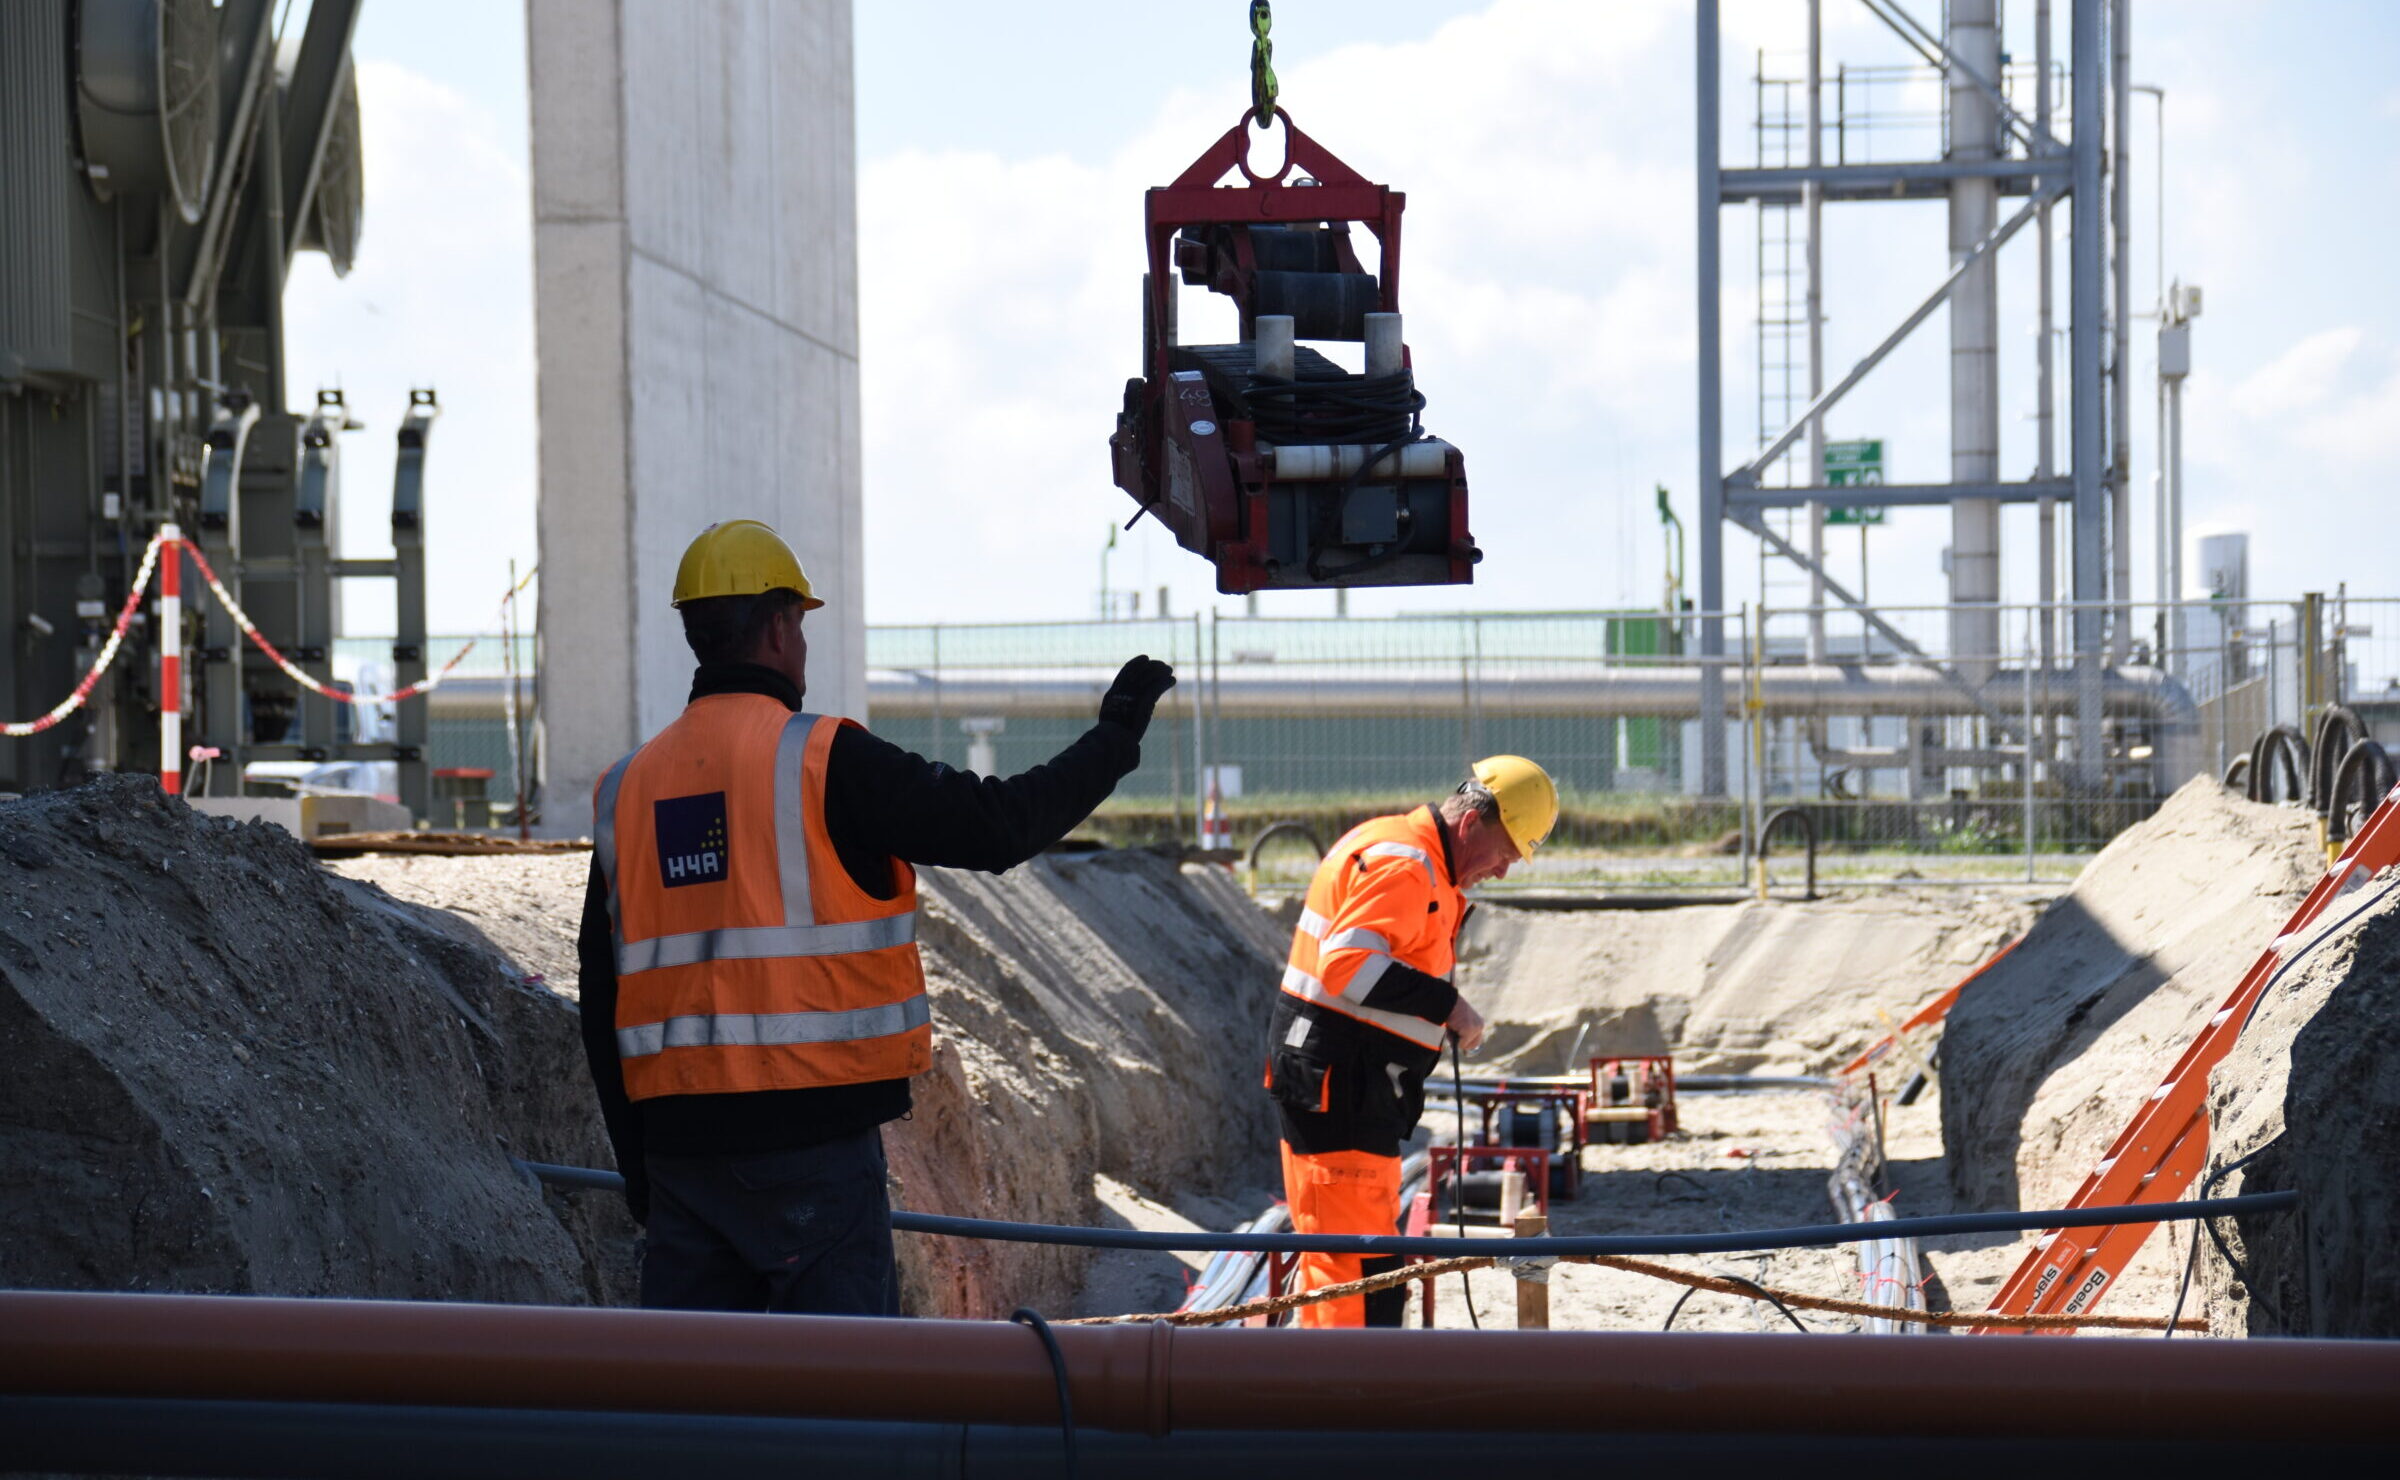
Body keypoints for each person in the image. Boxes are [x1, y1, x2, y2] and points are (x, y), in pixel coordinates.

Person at [577, 519, 1175, 1315]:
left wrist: (641, 1167)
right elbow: (996, 826)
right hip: (813, 1154)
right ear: (783, 626)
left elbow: (599, 992)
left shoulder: (628, 789)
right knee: (841, 1398)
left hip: (680, 1155)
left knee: (695, 1406)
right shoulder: (822, 760)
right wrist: (1112, 742)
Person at [1261, 756, 1559, 1327]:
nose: (1501, 872)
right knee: (1352, 1264)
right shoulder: (1406, 861)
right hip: (1339, 1087)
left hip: (1353, 1088)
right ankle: (1343, 1398)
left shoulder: (1422, 864)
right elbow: (1347, 966)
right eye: (1505, 853)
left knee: (1369, 1256)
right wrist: (1449, 1007)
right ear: (1472, 825)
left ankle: (1356, 1386)